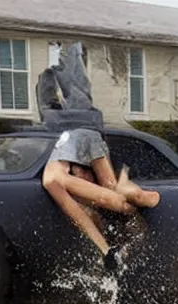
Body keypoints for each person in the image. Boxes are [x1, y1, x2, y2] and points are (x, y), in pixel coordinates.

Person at [36, 42, 160, 271]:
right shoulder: (95, 192)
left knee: (57, 104)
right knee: (112, 187)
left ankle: (63, 53)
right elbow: (107, 189)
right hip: (79, 130)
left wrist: (106, 250)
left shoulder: (65, 182)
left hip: (69, 131)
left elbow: (66, 193)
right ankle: (68, 50)